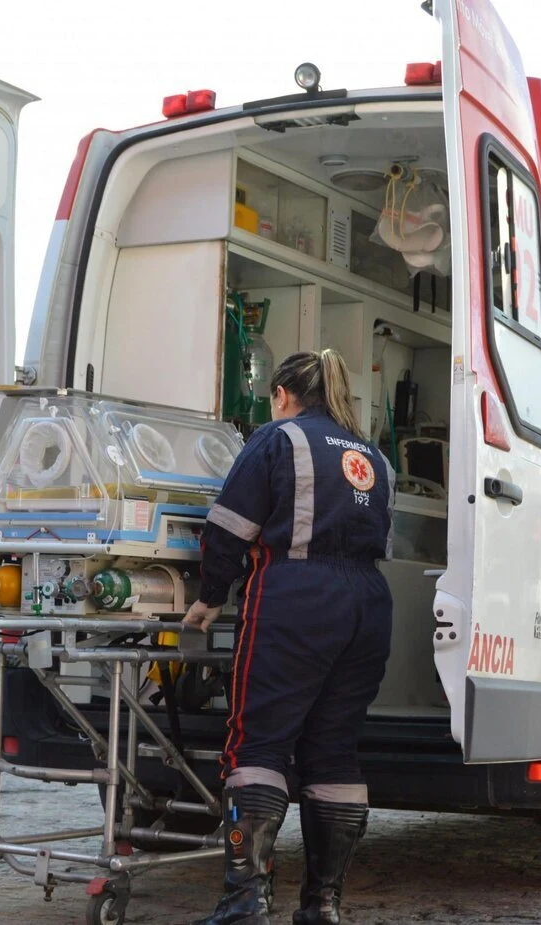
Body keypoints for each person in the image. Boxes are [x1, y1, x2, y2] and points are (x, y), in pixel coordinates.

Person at [183, 349, 395, 925]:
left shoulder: (280, 440)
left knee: (258, 745)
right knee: (334, 751)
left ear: (281, 395)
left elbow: (227, 529)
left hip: (297, 598)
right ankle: (322, 906)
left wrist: (209, 596)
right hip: (369, 606)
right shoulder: (373, 455)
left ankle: (244, 903)